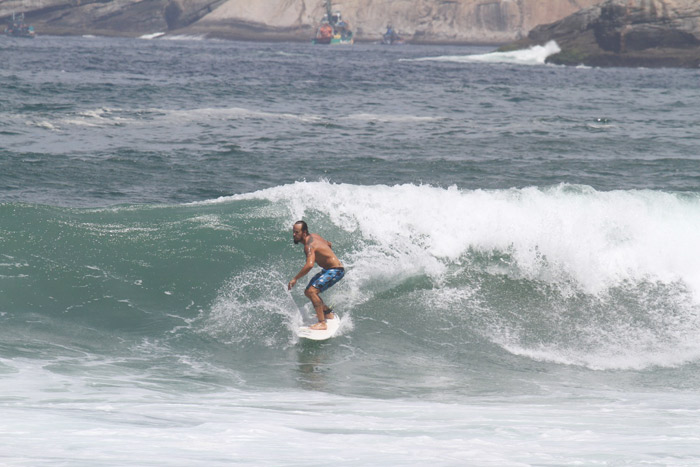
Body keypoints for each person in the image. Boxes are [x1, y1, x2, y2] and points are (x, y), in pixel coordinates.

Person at [288, 221, 345, 330]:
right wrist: (327, 258)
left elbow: (309, 265)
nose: (294, 235)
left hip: (336, 270)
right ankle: (327, 313)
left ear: (304, 233)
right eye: (293, 232)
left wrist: (295, 278)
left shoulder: (309, 246)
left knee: (311, 291)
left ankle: (322, 323)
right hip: (331, 269)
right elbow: (329, 244)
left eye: (296, 232)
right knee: (308, 292)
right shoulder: (314, 236)